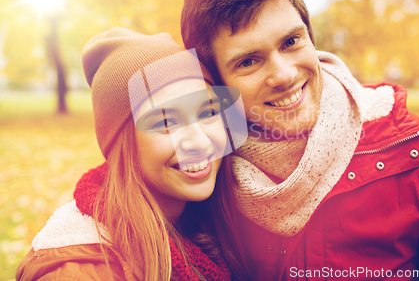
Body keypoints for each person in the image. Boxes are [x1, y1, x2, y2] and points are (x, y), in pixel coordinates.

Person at [180, 0, 419, 280]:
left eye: (291, 41)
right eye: (248, 61)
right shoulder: (200, 177)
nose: (285, 75)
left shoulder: (418, 151)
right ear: (214, 82)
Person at [16, 27, 249, 281]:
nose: (199, 140)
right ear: (122, 143)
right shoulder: (79, 271)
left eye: (207, 113)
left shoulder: (214, 221)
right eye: (166, 121)